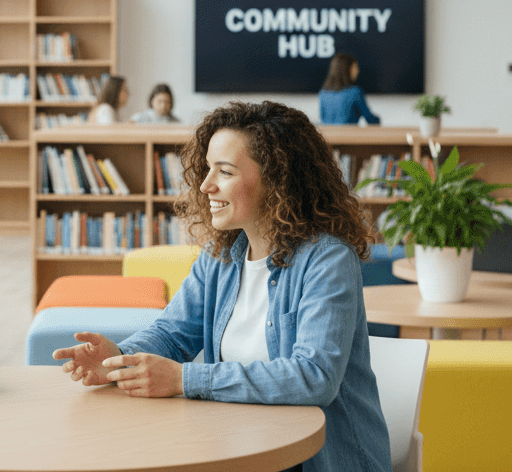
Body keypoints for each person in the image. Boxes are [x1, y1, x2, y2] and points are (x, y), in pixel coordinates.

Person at [53, 101, 391, 472]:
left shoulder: (327, 260)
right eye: (208, 168)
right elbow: (173, 333)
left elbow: (314, 377)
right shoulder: (223, 255)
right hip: (235, 449)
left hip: (319, 461)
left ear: (277, 181)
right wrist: (117, 359)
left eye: (225, 171)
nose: (205, 184)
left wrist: (184, 378)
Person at [319, 52, 380, 125]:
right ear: (347, 69)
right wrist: (378, 119)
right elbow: (370, 119)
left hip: (328, 135)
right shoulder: (355, 92)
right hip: (348, 135)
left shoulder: (323, 92)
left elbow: (323, 118)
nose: (358, 71)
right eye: (355, 67)